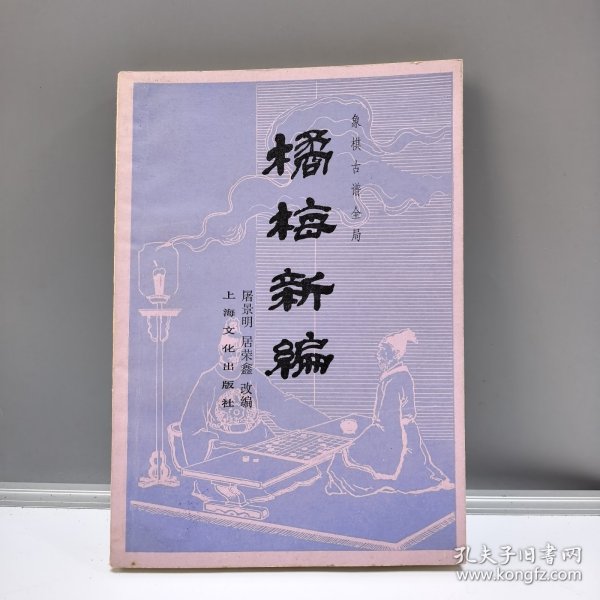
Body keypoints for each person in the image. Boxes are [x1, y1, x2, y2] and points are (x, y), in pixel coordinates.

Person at [179, 318, 327, 467]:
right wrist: (209, 445)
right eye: (228, 349)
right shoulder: (208, 379)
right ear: (220, 349)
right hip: (223, 450)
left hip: (258, 446)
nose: (233, 354)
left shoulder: (252, 375)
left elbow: (282, 403)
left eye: (237, 350)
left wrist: (322, 422)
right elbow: (191, 424)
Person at [325, 329, 453, 497]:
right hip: (392, 429)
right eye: (379, 352)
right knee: (348, 453)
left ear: (395, 355)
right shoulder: (392, 376)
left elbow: (392, 417)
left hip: (395, 433)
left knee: (348, 456)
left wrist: (376, 434)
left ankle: (342, 485)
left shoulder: (396, 379)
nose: (378, 356)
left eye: (383, 352)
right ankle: (339, 484)